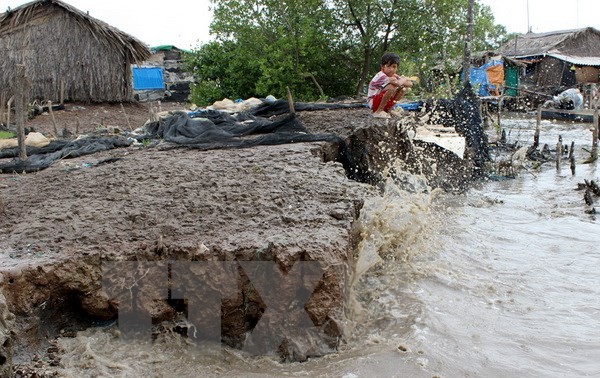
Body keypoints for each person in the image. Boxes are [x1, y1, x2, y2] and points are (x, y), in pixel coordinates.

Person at [367, 52, 413, 119]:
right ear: (382, 66)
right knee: (392, 87)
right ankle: (378, 111)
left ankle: (388, 110)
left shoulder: (394, 75)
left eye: (394, 67)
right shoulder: (381, 75)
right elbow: (398, 83)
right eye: (388, 66)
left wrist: (403, 81)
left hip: (380, 100)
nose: (391, 69)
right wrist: (405, 79)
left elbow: (410, 84)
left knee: (403, 89)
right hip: (373, 102)